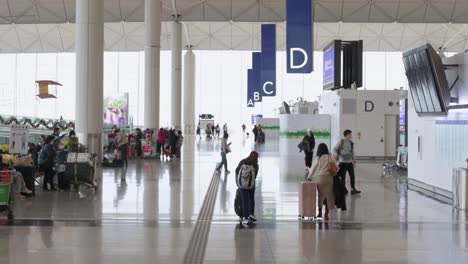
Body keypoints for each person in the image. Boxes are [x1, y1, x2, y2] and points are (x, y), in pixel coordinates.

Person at [307, 143, 339, 221]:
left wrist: (309, 177)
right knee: (329, 196)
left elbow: (313, 169)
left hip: (320, 178)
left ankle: (320, 212)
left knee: (321, 196)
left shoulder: (318, 158)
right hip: (329, 178)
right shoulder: (330, 157)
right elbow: (337, 168)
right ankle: (326, 214)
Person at [333, 129, 361, 195]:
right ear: (346, 135)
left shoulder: (351, 143)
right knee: (343, 177)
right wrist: (338, 154)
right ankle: (343, 189)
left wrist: (353, 160)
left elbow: (352, 152)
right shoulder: (341, 141)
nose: (350, 136)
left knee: (352, 176)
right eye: (349, 134)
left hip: (349, 162)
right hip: (342, 162)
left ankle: (353, 189)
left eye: (351, 134)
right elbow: (335, 149)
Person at [235, 151, 259, 225]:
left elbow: (236, 171)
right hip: (251, 185)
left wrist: (238, 183)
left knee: (244, 200)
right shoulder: (255, 164)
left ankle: (245, 217)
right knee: (251, 200)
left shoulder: (243, 161)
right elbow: (255, 176)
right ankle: (251, 215)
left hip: (242, 185)